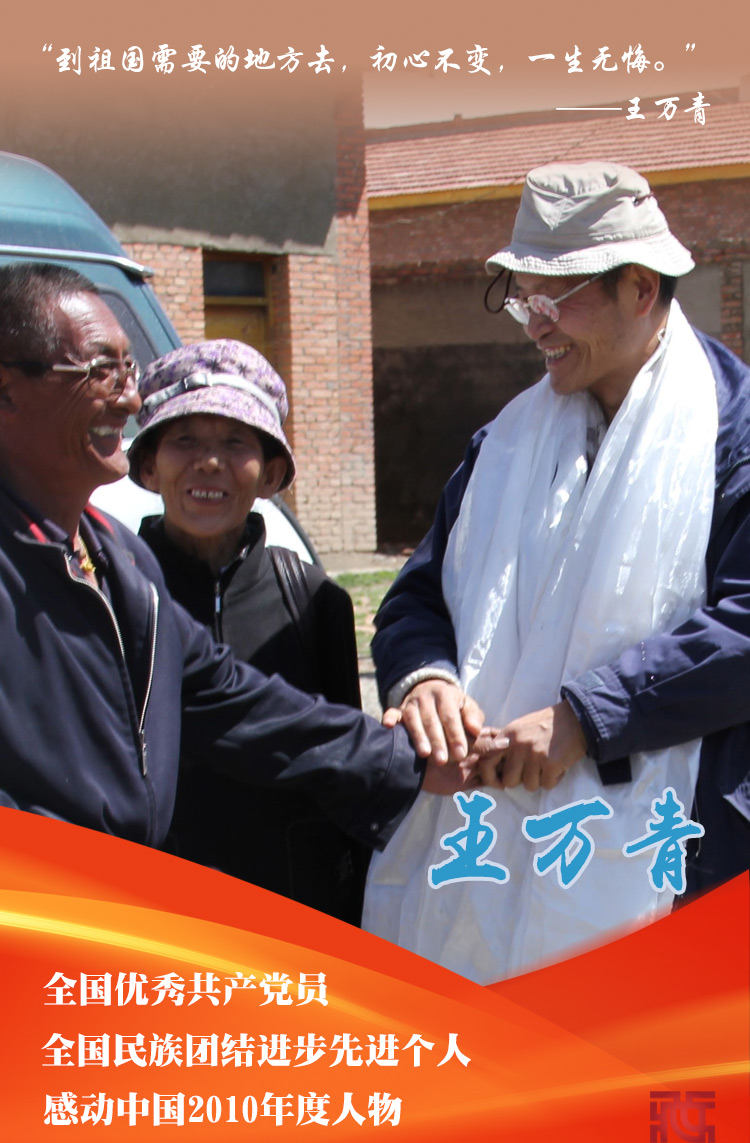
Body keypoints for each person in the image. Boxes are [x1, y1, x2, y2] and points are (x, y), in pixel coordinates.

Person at [363, 161, 750, 983]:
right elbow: (418, 596)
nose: (534, 326)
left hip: (686, 848)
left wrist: (588, 717)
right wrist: (426, 679)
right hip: (496, 835)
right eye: (522, 300)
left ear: (639, 288)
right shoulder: (505, 443)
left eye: (555, 299)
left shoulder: (732, 436)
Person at [0, 263, 489, 854]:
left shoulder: (119, 565)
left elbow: (227, 697)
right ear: (7, 390)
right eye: (99, 371)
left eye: (128, 370)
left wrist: (403, 759)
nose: (128, 397)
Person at [128, 339, 369, 921]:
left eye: (236, 442)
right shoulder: (117, 596)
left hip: (292, 915)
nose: (209, 462)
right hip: (155, 917)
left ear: (271, 473)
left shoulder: (312, 600)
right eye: (185, 440)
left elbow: (348, 772)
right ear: (149, 466)